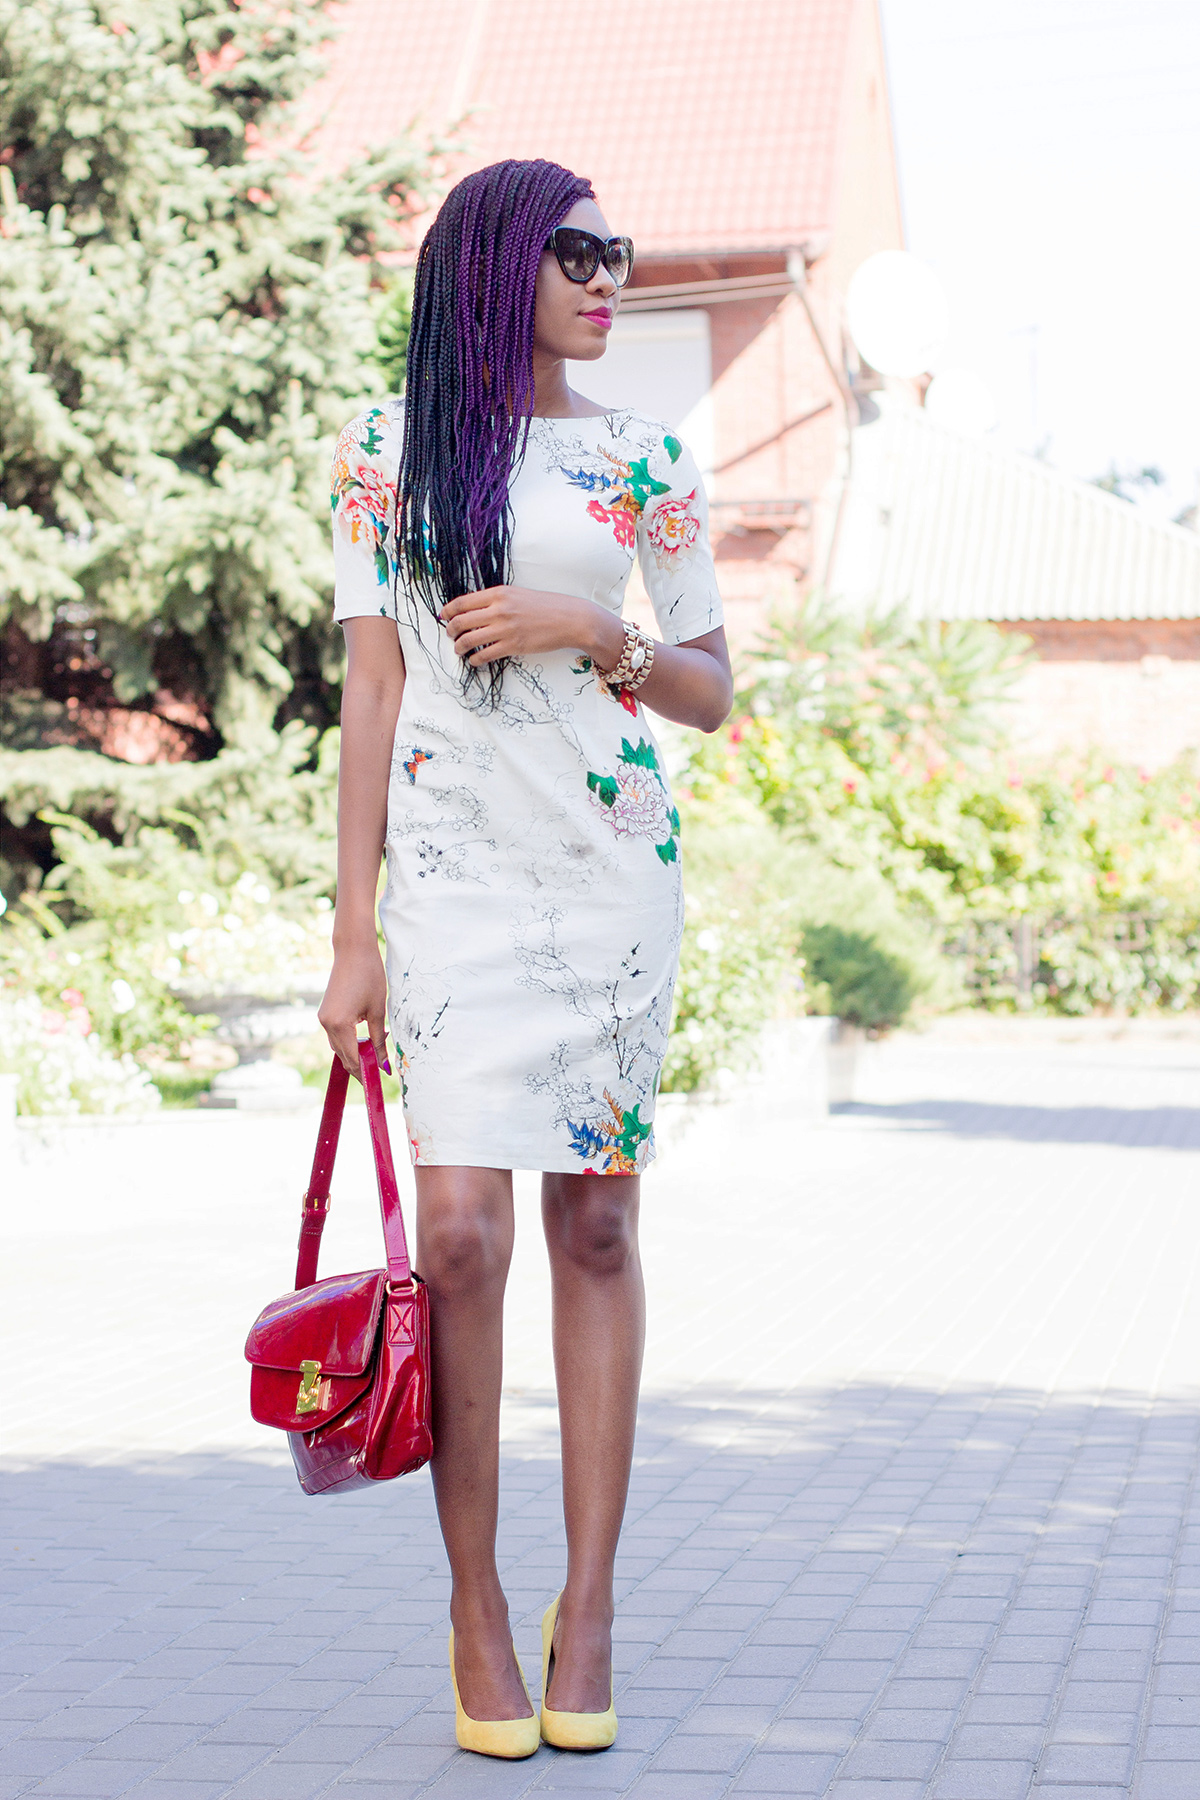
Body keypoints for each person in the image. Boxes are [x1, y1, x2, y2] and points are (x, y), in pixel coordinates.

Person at [319, 157, 731, 1759]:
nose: (608, 273)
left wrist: (588, 628)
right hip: (448, 883)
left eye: (619, 251)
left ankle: (595, 1602)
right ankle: (475, 1602)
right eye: (576, 250)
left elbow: (705, 686)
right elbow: (369, 698)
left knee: (603, 1230)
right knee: (466, 1236)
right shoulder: (382, 451)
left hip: (615, 868)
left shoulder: (645, 459)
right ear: (496, 262)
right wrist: (349, 931)